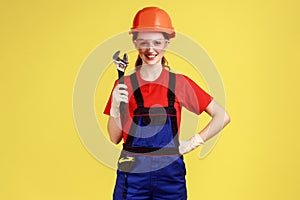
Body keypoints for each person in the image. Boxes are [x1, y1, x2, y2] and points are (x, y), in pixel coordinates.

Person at [104, 6, 230, 200]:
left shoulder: (179, 83)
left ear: (167, 43)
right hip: (132, 174)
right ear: (135, 42)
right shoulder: (124, 84)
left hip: (170, 177)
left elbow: (222, 116)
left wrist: (191, 143)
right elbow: (114, 137)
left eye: (157, 42)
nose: (151, 49)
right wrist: (115, 108)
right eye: (144, 42)